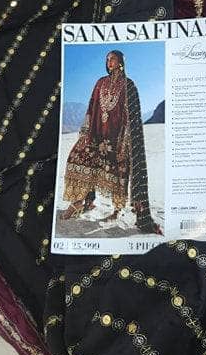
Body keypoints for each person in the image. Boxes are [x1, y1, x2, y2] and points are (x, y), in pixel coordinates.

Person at [61, 50, 159, 233]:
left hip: (117, 139)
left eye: (112, 59)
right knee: (76, 157)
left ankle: (117, 210)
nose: (109, 62)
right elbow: (92, 106)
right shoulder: (100, 82)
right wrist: (86, 130)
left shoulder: (129, 85)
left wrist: (125, 141)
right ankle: (80, 202)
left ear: (121, 61)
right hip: (96, 135)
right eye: (107, 59)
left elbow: (132, 117)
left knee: (118, 173)